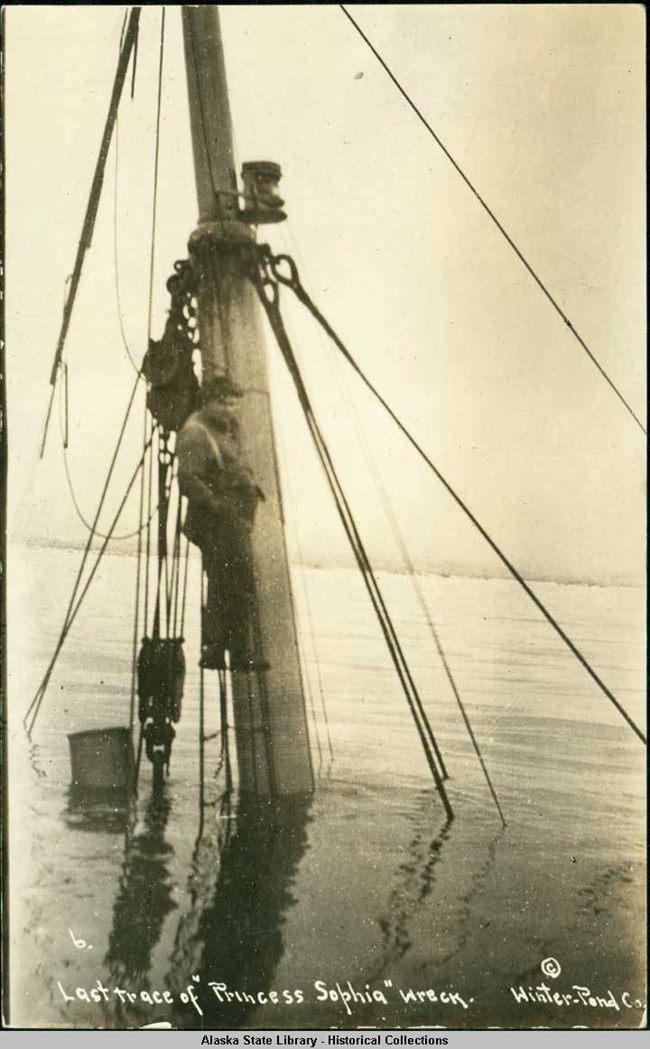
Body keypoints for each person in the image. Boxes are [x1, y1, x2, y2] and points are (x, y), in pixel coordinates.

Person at [176, 377, 267, 672]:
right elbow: (188, 478)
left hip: (232, 519)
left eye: (235, 405)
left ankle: (215, 650)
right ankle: (238, 652)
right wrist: (217, 507)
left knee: (222, 585)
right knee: (238, 585)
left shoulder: (222, 430)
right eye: (226, 404)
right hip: (218, 522)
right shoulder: (196, 432)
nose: (231, 410)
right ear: (210, 402)